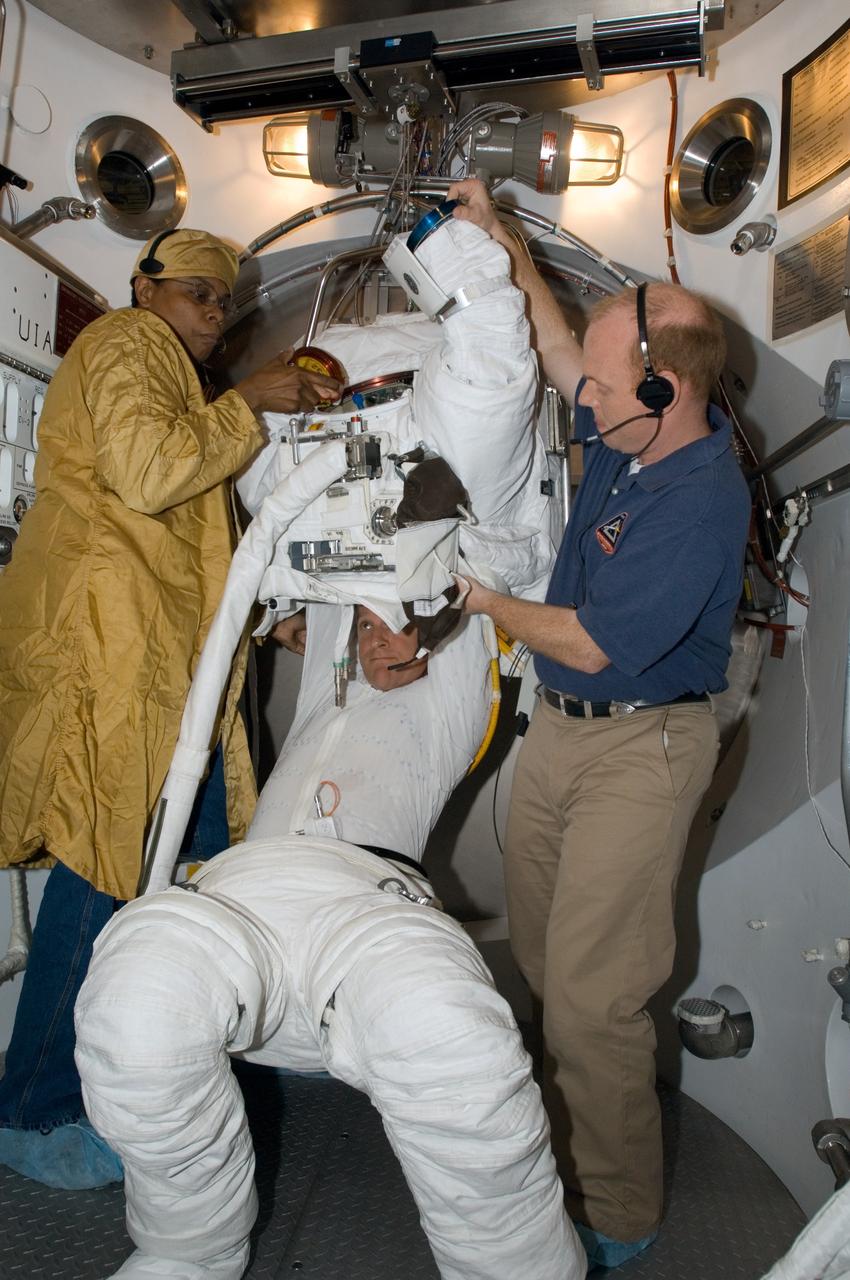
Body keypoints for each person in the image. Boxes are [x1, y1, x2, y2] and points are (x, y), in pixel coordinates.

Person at [73, 215, 585, 1280]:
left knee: (448, 1040)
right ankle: (185, 1250)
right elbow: (265, 541)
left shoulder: (472, 543)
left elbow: (491, 382)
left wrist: (451, 241)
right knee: (133, 996)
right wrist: (293, 614)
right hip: (246, 902)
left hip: (368, 910)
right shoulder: (313, 553)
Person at [447, 177, 752, 1269]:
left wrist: (471, 597)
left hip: (641, 742)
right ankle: (564, 1136)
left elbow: (586, 640)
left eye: (607, 385)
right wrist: (502, 238)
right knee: (541, 959)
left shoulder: (701, 498)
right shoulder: (636, 427)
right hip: (563, 732)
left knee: (591, 996)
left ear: (665, 388)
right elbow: (561, 339)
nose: (583, 397)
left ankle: (620, 1211)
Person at [0, 227, 341, 1188]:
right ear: (145, 287)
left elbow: (189, 553)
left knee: (184, 871)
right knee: (106, 876)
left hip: (157, 673)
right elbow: (148, 476)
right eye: (195, 290)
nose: (211, 310)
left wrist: (268, 629)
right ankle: (32, 1108)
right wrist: (249, 399)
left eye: (221, 299)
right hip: (111, 667)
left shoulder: (177, 383)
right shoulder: (122, 345)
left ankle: (149, 1068)